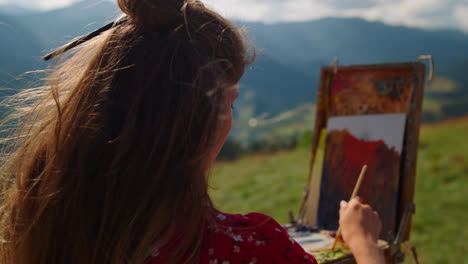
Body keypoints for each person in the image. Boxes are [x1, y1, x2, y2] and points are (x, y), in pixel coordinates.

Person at [0, 0, 384, 263]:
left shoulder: (34, 227)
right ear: (196, 123)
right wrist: (365, 245)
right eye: (229, 102)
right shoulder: (251, 249)